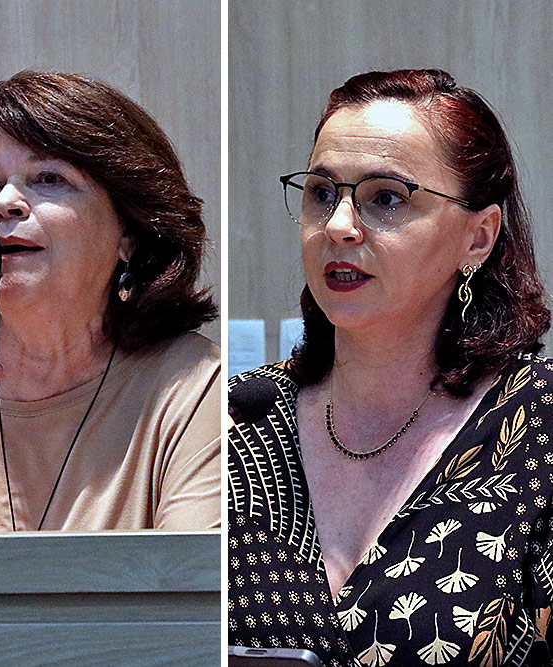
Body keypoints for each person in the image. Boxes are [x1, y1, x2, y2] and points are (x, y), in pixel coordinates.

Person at [228, 68, 553, 665]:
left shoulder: (540, 430)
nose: (339, 226)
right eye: (322, 194)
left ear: (477, 238)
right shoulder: (234, 423)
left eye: (386, 198)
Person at [0, 70, 220, 533]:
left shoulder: (190, 387)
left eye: (47, 178)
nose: (5, 203)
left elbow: (187, 598)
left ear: (128, 232)